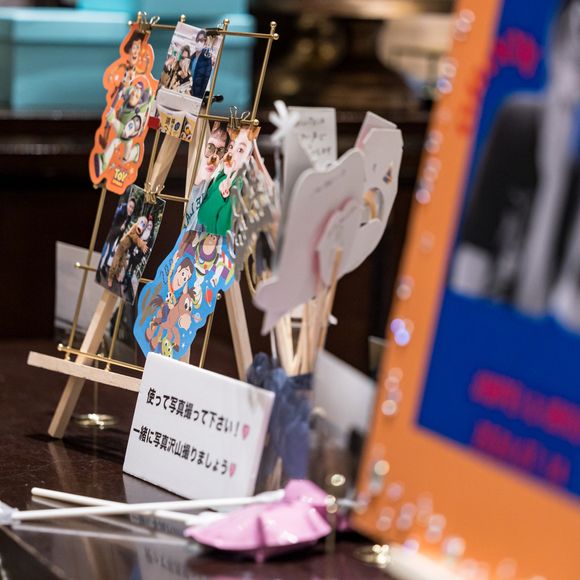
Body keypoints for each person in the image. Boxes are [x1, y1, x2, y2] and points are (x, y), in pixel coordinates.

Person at [197, 126, 255, 236]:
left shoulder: (242, 188)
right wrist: (219, 194)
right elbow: (202, 217)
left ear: (248, 159)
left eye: (240, 150)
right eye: (231, 146)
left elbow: (223, 230)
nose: (231, 153)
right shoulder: (220, 177)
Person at [189, 30, 213, 99]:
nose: (199, 42)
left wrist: (200, 98)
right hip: (189, 91)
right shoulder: (192, 58)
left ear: (205, 43)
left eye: (201, 40)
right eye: (198, 40)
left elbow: (206, 80)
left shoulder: (207, 59)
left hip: (198, 95)